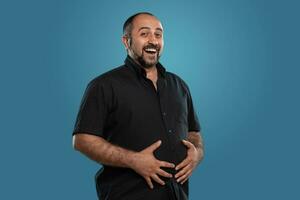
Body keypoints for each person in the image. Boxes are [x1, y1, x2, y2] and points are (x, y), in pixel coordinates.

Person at [72, 12, 204, 200]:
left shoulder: (179, 85)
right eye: (144, 34)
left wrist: (196, 153)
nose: (153, 41)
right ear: (126, 41)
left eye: (158, 34)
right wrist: (133, 160)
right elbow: (82, 140)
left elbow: (194, 132)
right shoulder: (103, 85)